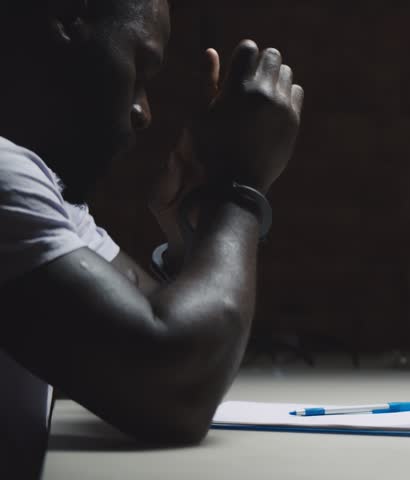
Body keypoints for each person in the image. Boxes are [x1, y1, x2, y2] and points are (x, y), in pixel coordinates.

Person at [0, 0, 304, 477]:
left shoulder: (41, 188)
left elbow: (174, 332)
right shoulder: (4, 175)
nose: (143, 111)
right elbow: (175, 383)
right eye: (140, 66)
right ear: (65, 19)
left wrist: (196, 224)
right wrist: (238, 188)